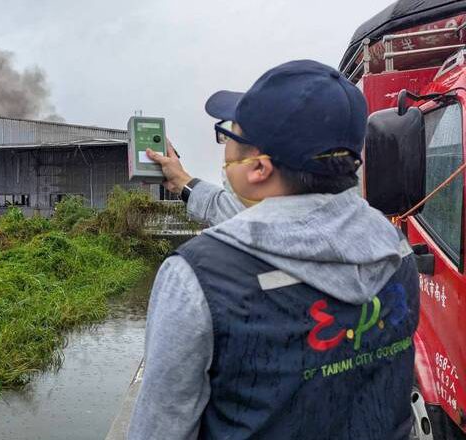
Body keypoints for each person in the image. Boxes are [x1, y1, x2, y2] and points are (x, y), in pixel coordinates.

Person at [127, 60, 420, 440]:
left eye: (227, 135)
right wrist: (184, 182)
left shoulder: (198, 278)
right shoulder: (396, 250)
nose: (225, 148)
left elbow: (158, 430)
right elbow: (272, 219)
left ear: (259, 168)